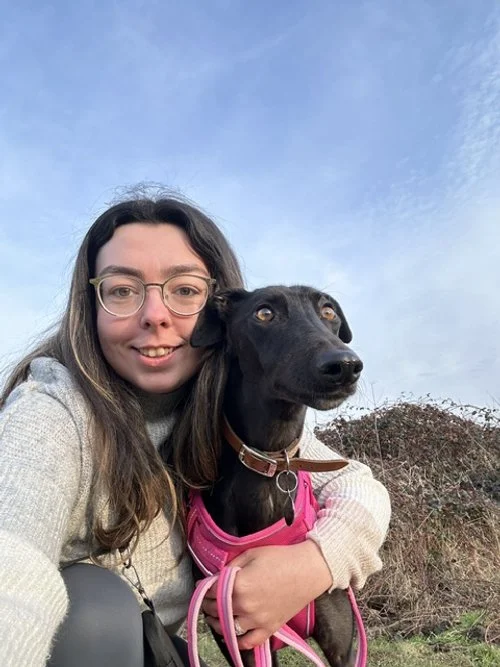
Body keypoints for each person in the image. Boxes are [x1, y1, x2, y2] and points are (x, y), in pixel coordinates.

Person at [0, 192, 391, 667]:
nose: (155, 314)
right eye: (122, 290)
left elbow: (357, 484)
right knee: (94, 605)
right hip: (83, 646)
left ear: (218, 316)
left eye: (184, 290)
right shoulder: (48, 416)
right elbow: (11, 557)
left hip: (158, 647)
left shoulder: (228, 412)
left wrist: (312, 565)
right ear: (91, 306)